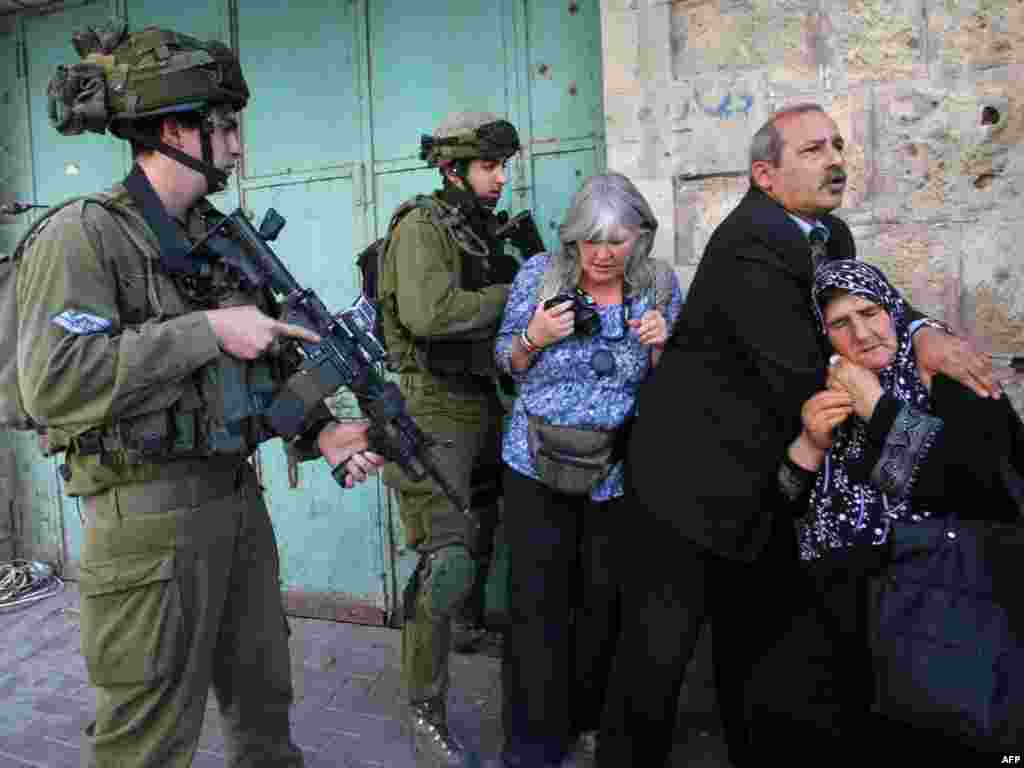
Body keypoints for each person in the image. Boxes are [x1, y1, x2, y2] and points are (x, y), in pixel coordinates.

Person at [15, 23, 384, 767]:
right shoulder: (84, 236)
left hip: (235, 505)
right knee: (145, 743)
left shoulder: (212, 235)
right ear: (178, 128)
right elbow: (53, 381)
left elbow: (256, 367)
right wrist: (207, 329)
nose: (239, 147)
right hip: (144, 525)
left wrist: (321, 435)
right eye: (227, 129)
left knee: (264, 714)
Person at [598, 103, 999, 767]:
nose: (836, 159)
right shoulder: (751, 242)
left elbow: (865, 303)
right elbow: (808, 374)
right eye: (813, 150)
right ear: (765, 174)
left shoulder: (827, 235)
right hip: (686, 490)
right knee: (655, 665)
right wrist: (904, 440)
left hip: (763, 485)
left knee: (757, 659)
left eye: (838, 145)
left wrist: (924, 330)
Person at [767, 258, 1023, 756]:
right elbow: (780, 504)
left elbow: (975, 485)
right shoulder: (821, 388)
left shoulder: (947, 375)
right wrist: (809, 445)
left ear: (895, 312)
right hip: (846, 614)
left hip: (943, 611)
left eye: (871, 312)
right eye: (841, 324)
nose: (862, 334)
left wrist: (880, 410)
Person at [492, 172, 683, 768]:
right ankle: (533, 743)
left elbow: (678, 381)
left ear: (640, 238)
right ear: (571, 240)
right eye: (589, 241)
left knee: (603, 604)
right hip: (535, 466)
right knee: (536, 606)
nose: (602, 255)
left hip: (613, 472)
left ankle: (591, 722)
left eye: (617, 241)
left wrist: (662, 344)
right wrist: (533, 334)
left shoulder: (657, 285)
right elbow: (506, 361)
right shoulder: (539, 276)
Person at [376, 110, 522, 767]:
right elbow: (429, 314)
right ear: (453, 168)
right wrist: (514, 293)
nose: (499, 179)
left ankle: (462, 632)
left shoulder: (484, 228)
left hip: (480, 401)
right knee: (449, 558)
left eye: (502, 167)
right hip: (430, 407)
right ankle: (422, 708)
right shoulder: (422, 226)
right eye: (488, 167)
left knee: (486, 529)